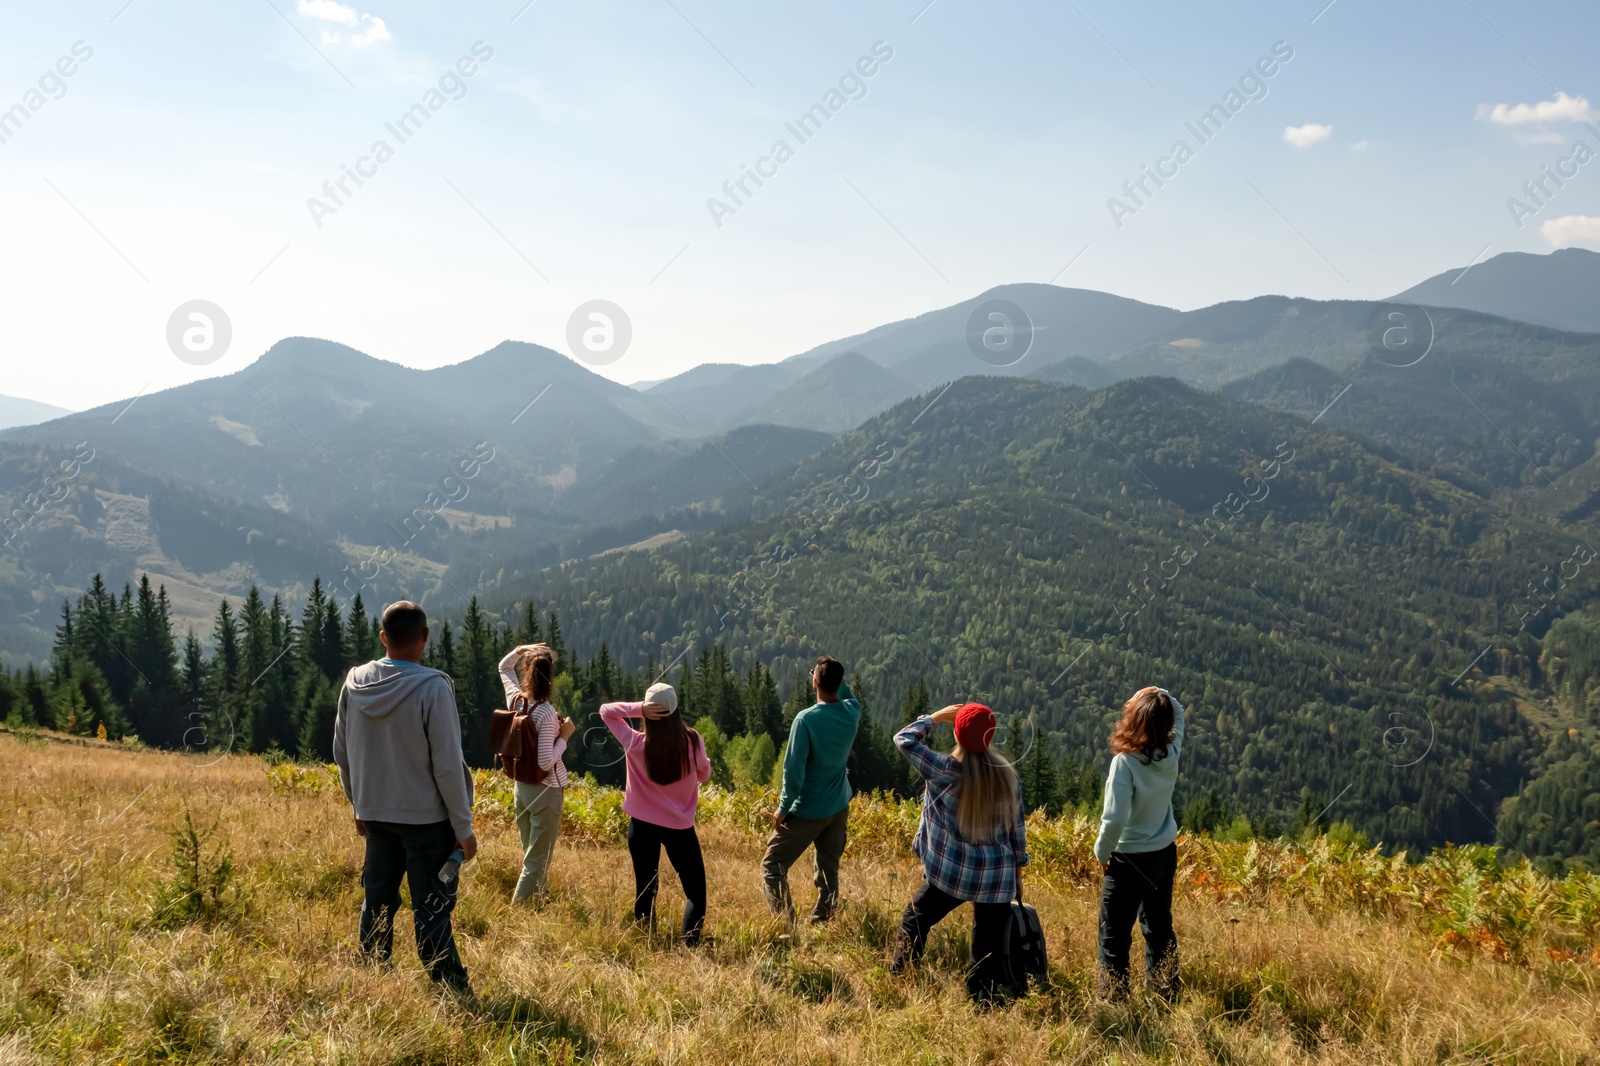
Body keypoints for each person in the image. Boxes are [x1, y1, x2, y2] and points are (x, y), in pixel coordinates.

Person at [333, 600, 474, 994]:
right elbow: (447, 764)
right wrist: (463, 828)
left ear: (383, 638)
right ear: (425, 637)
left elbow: (341, 751)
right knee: (431, 906)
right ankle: (450, 988)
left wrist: (357, 803)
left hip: (375, 813)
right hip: (428, 821)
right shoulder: (433, 687)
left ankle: (374, 974)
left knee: (376, 898)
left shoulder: (354, 682)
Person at [890, 702, 1028, 1005]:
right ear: (990, 738)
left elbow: (903, 739)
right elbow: (1016, 830)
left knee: (915, 918)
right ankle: (982, 1001)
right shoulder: (1007, 777)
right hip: (995, 878)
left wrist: (936, 717)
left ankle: (900, 978)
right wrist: (1018, 874)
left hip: (951, 873)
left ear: (957, 732)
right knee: (986, 947)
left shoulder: (943, 770)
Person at [599, 682, 712, 944]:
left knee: (646, 888)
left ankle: (645, 941)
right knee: (696, 892)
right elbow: (704, 774)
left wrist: (639, 709)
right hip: (679, 828)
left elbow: (606, 711)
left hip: (641, 826)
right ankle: (690, 944)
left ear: (649, 712)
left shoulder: (634, 742)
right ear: (675, 711)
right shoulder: (692, 740)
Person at [1093, 686, 1186, 1001]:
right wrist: (1158, 693)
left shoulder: (1125, 763)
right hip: (1162, 855)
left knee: (1114, 937)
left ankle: (1114, 1003)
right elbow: (1180, 712)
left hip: (1127, 861)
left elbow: (1114, 820)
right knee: (1159, 930)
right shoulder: (1171, 752)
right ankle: (1165, 995)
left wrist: (1100, 854)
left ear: (1134, 719)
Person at [761, 655, 862, 923]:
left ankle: (787, 925)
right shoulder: (853, 712)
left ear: (814, 681)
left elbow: (793, 772)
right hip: (838, 805)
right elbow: (846, 692)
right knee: (829, 867)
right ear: (839, 682)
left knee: (772, 866)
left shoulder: (805, 720)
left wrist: (783, 808)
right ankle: (822, 920)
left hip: (808, 809)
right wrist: (830, 675)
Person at [497, 642, 575, 903]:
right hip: (546, 790)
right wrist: (564, 737)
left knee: (531, 852)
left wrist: (520, 649)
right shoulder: (546, 713)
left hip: (521, 787)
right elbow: (545, 762)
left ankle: (539, 903)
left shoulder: (515, 701)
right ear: (550, 677)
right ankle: (516, 913)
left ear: (527, 671)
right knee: (536, 860)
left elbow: (503, 668)